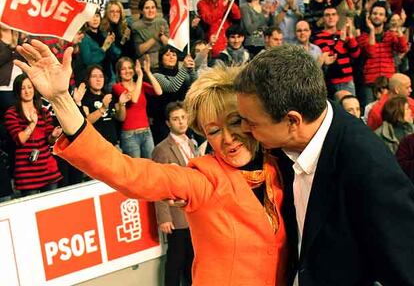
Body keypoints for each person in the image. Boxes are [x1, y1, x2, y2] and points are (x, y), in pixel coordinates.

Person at [14, 39, 288, 285]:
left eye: (235, 122)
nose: (228, 138)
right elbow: (127, 172)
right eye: (214, 131)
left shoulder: (279, 167)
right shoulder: (203, 180)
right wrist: (62, 100)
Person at [234, 44, 414, 285]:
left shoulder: (368, 167)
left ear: (292, 121)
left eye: (252, 123)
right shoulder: (281, 141)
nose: (244, 130)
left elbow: (404, 268)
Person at [152, 101, 196, 286]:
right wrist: (164, 217)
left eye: (183, 118)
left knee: (191, 259)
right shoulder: (162, 150)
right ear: (168, 123)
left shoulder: (191, 143)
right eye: (176, 119)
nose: (181, 122)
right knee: (175, 261)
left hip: (193, 210)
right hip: (175, 214)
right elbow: (158, 184)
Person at [4, 74, 62, 196]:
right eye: (23, 88)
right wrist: (32, 123)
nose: (27, 91)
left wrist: (54, 135)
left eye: (30, 87)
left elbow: (50, 141)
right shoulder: (11, 114)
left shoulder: (44, 111)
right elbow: (20, 139)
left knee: (53, 208)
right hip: (27, 174)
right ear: (17, 91)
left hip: (48, 169)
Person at [112, 55, 162, 158]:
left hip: (146, 132)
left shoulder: (140, 84)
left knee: (150, 166)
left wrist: (147, 72)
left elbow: (159, 91)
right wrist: (140, 77)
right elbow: (134, 99)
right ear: (119, 72)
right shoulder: (117, 87)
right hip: (130, 135)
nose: (127, 71)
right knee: (135, 169)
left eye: (130, 68)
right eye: (123, 69)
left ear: (134, 70)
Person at [82, 65, 129, 145]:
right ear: (88, 80)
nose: (98, 80)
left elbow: (121, 118)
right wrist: (103, 108)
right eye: (94, 76)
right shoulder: (84, 98)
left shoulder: (108, 96)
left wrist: (121, 104)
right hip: (95, 145)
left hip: (113, 144)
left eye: (101, 76)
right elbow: (86, 122)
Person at [131, 0, 170, 68]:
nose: (150, 10)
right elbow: (139, 51)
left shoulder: (162, 22)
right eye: (147, 8)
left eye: (153, 7)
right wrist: (155, 37)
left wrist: (161, 35)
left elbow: (169, 45)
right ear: (141, 11)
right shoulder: (136, 26)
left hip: (164, 63)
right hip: (146, 65)